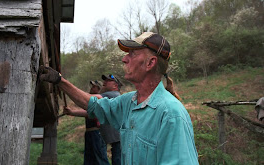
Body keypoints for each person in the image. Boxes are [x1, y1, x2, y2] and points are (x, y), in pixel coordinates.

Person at [39, 32, 199, 164]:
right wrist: (60, 81)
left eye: (132, 54)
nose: (124, 58)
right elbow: (94, 105)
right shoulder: (128, 102)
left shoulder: (171, 114)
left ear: (150, 63)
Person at [64, 76, 122, 165]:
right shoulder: (107, 98)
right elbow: (89, 113)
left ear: (115, 86)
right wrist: (72, 112)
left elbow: (86, 99)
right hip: (115, 138)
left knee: (107, 160)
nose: (105, 81)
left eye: (108, 80)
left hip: (114, 137)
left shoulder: (112, 94)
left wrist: (65, 86)